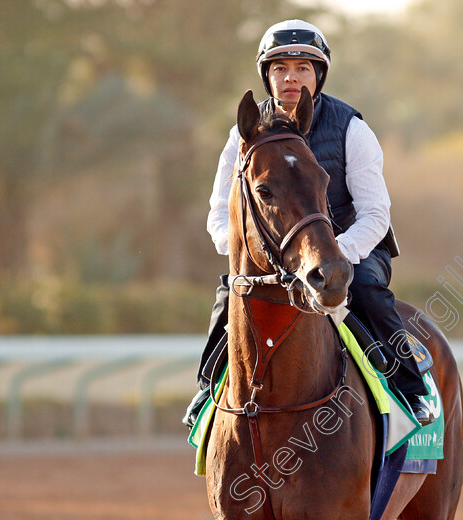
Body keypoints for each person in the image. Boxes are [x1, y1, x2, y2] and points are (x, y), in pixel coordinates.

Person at [182, 19, 434, 429]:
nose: (291, 78)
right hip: (277, 255)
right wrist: (253, 256)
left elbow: (375, 214)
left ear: (319, 75)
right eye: (281, 68)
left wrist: (336, 254)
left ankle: (410, 388)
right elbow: (218, 216)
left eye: (302, 68)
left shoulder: (352, 129)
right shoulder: (241, 136)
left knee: (367, 289)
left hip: (354, 248)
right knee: (231, 293)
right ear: (267, 77)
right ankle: (206, 390)